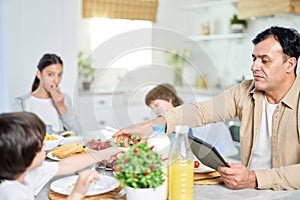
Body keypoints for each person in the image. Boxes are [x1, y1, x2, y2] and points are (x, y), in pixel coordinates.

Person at [113, 26, 300, 190]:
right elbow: (200, 112)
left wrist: (254, 179)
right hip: (246, 190)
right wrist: (151, 125)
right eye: (254, 58)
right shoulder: (244, 91)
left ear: (290, 64)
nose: (254, 66)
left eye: (264, 60)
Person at [0, 112, 121, 199]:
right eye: (39, 146)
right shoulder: (13, 194)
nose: (45, 146)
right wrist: (77, 193)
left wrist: (106, 153)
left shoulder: (25, 173)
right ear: (21, 156)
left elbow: (67, 165)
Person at [145, 83, 238, 159]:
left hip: (216, 150)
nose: (155, 110)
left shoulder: (186, 116)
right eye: (152, 108)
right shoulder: (165, 122)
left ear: (170, 99)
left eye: (157, 105)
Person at [11, 53, 80, 134]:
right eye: (50, 74)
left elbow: (78, 132)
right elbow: (16, 135)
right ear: (39, 75)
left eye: (59, 75)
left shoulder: (64, 99)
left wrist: (61, 106)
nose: (56, 80)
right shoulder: (21, 103)